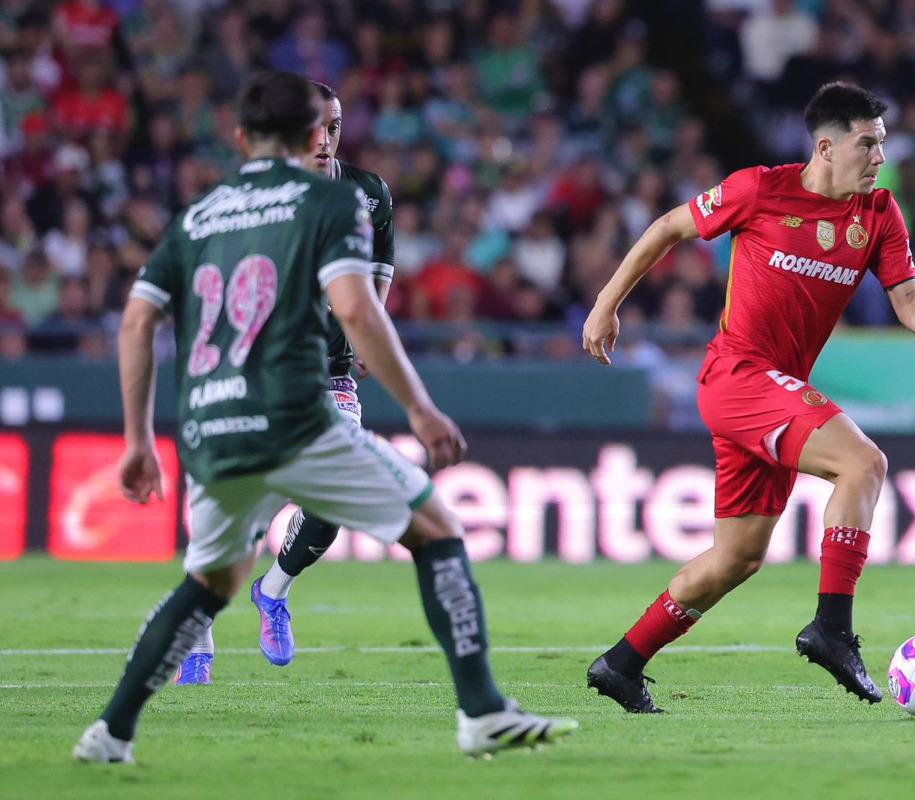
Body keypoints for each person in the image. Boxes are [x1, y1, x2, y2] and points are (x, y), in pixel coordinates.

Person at [73, 71, 577, 763]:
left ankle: (109, 734)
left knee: (207, 585)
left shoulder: (200, 214)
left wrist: (137, 439)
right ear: (314, 133)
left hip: (209, 423)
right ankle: (483, 712)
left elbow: (136, 322)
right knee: (436, 527)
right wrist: (419, 406)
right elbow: (356, 308)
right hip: (293, 413)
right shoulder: (331, 199)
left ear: (241, 138)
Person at [581, 82, 915, 713]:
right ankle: (832, 629)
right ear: (826, 148)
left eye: (882, 143)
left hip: (776, 389)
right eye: (867, 144)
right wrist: (607, 304)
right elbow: (667, 227)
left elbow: (908, 301)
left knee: (737, 558)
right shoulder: (759, 190)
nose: (880, 158)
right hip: (738, 375)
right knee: (864, 463)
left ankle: (621, 663)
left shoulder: (879, 213)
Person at [175, 80, 397, 685]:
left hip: (329, 375)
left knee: (333, 495)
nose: (325, 139)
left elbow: (380, 267)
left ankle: (273, 591)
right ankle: (198, 632)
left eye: (335, 127)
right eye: (315, 127)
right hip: (251, 375)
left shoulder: (368, 193)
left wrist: (370, 330)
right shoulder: (256, 198)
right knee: (234, 510)